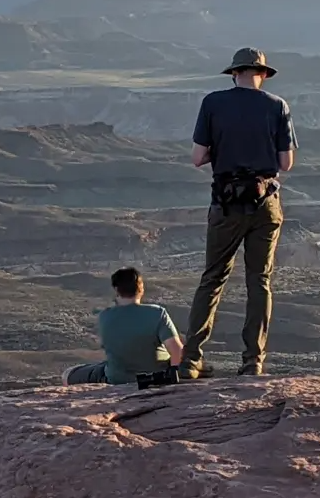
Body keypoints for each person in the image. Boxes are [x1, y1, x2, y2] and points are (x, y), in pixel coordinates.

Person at [181, 46, 293, 378]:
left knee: (213, 278)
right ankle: (252, 361)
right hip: (265, 202)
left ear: (234, 73)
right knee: (259, 280)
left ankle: (190, 360)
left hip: (227, 202)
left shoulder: (213, 103)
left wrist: (225, 149)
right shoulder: (277, 106)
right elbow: (286, 163)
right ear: (262, 74)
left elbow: (198, 157)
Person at [65, 267, 184, 385]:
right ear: (141, 289)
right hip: (156, 375)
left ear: (116, 290)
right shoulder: (158, 313)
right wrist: (172, 375)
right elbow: (177, 350)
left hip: (117, 378)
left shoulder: (105, 316)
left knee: (68, 374)